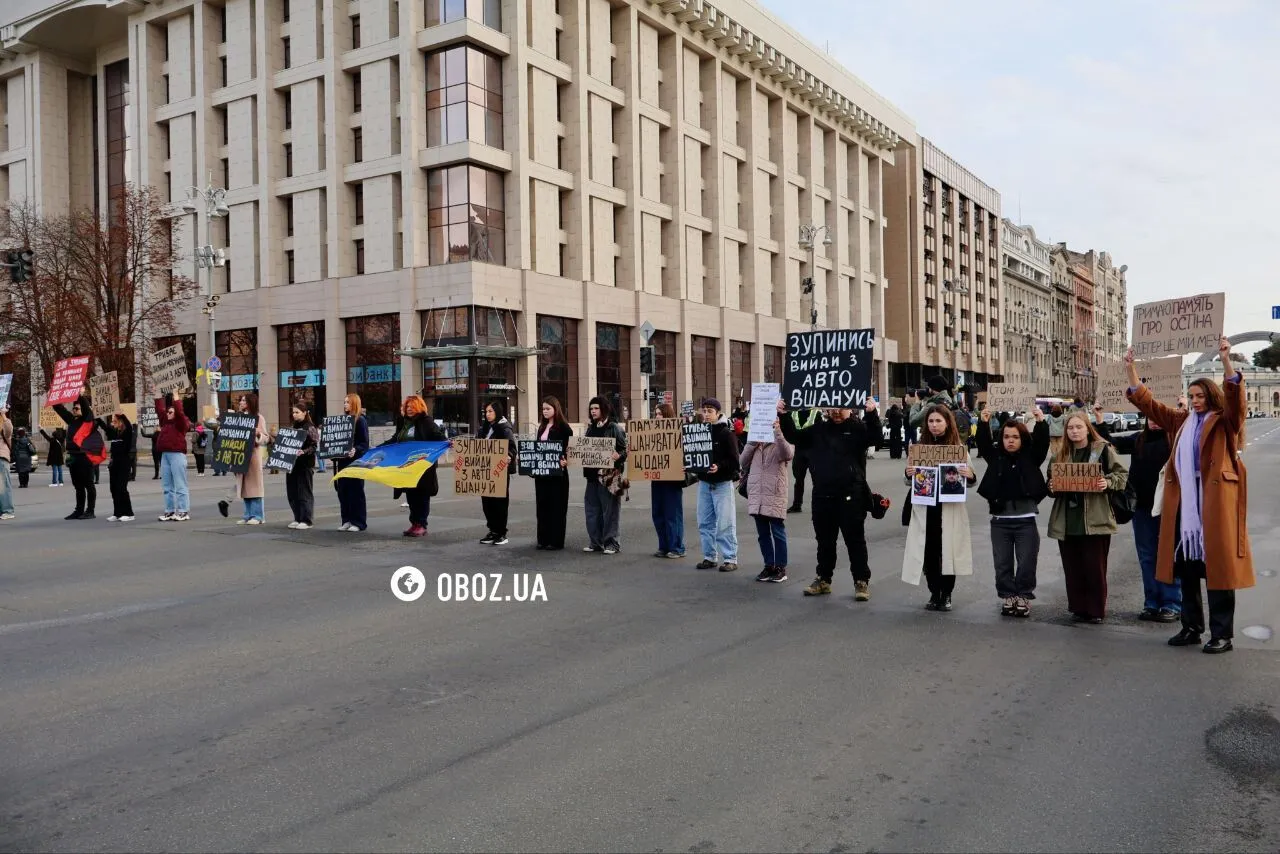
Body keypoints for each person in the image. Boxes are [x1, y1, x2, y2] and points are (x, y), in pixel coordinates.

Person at [1125, 338, 1253, 654]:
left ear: (1212, 397)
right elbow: (1149, 405)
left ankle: (1222, 634)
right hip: (1185, 505)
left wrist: (1225, 362)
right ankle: (1192, 627)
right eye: (1192, 396)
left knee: (1218, 570)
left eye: (1200, 396)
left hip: (1215, 504)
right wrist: (1131, 370)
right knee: (1187, 566)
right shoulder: (1181, 422)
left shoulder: (1225, 422)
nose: (1195, 401)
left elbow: (1236, 401)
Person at [780, 398, 881, 600]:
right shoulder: (818, 430)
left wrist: (871, 414)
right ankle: (823, 579)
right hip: (822, 495)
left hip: (851, 496)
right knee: (825, 542)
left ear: (850, 408)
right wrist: (783, 415)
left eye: (841, 408)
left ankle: (861, 581)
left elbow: (876, 438)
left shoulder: (858, 428)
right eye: (832, 407)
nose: (836, 411)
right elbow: (794, 437)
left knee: (855, 541)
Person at [1046, 411, 1128, 624]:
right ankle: (1078, 608)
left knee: (1095, 568)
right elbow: (1050, 481)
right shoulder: (1060, 455)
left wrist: (1107, 483)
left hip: (1095, 518)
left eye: (1078, 427)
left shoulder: (1102, 450)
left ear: (1087, 429)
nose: (1074, 431)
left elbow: (1122, 475)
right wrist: (1052, 486)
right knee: (1073, 567)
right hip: (1068, 519)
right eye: (1070, 428)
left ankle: (1095, 610)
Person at [976, 405, 1050, 617]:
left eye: (1015, 437)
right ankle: (1008, 596)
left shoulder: (1030, 457)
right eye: (1007, 437)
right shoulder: (996, 457)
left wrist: (1041, 422)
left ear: (1022, 439)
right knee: (1002, 563)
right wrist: (984, 422)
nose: (1010, 440)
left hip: (1026, 521)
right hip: (1000, 522)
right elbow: (983, 443)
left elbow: (1042, 444)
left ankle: (1024, 597)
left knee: (1027, 562)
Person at [903, 405, 976, 611]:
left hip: (949, 508)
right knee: (929, 553)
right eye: (931, 421)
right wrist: (908, 473)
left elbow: (970, 479)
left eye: (938, 421)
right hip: (926, 507)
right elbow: (909, 480)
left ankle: (947, 593)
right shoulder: (920, 448)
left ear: (947, 423)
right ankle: (934, 592)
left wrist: (969, 475)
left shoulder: (957, 448)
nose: (934, 425)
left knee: (948, 552)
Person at [1109, 415, 1180, 622]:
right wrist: (1098, 417)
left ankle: (1172, 603)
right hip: (1141, 508)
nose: (1155, 421)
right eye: (1151, 417)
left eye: (1159, 417)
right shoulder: (1138, 439)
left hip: (1168, 507)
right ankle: (1151, 603)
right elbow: (1108, 441)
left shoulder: (1174, 439)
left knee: (1167, 555)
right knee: (1147, 557)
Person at [741, 409, 794, 582]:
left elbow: (788, 454)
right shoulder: (755, 444)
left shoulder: (781, 441)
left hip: (774, 494)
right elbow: (742, 461)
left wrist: (777, 431)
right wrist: (752, 442)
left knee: (777, 532)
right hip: (757, 494)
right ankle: (768, 565)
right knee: (763, 534)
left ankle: (780, 567)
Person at [383, 395, 446, 537]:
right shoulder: (403, 422)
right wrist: (380, 447)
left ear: (419, 407)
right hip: (406, 466)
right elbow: (396, 439)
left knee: (421, 495)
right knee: (411, 495)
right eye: (407, 407)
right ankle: (414, 523)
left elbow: (440, 438)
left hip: (422, 466)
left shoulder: (426, 422)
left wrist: (443, 446)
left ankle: (422, 524)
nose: (409, 409)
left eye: (412, 407)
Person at [694, 398, 741, 572]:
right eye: (704, 411)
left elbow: (735, 461)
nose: (706, 414)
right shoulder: (698, 432)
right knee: (705, 523)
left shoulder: (726, 434)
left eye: (710, 411)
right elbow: (694, 454)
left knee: (725, 523)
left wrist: (719, 466)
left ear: (718, 413)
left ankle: (730, 558)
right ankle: (709, 556)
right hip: (705, 484)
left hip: (722, 484)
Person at [582, 395, 626, 555]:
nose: (593, 411)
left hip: (610, 475)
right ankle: (596, 542)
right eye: (591, 409)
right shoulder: (590, 428)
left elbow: (625, 450)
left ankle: (612, 543)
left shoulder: (614, 428)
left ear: (603, 409)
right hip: (592, 475)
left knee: (611, 511)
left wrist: (619, 456)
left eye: (596, 408)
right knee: (592, 510)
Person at [218, 394, 270, 525]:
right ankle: (247, 515)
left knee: (255, 486)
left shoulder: (259, 418)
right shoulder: (238, 417)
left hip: (252, 456)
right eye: (240, 400)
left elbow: (266, 438)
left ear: (250, 403)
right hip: (239, 454)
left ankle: (258, 516)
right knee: (244, 486)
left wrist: (258, 433)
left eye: (243, 400)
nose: (241, 402)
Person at [53, 393, 104, 520]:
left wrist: (80, 396)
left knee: (88, 484)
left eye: (77, 408)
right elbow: (59, 409)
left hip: (85, 456)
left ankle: (90, 511)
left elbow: (86, 407)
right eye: (73, 408)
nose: (74, 410)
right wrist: (54, 397)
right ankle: (79, 510)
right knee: (78, 486)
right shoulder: (72, 420)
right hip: (73, 456)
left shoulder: (87, 420)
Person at [534, 396, 573, 551]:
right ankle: (543, 539)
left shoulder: (564, 427)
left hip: (558, 474)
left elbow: (572, 449)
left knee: (557, 507)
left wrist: (566, 460)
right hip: (542, 473)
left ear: (555, 409)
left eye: (547, 408)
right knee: (542, 506)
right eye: (543, 409)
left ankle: (556, 540)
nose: (544, 411)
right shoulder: (542, 427)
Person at [647, 402, 685, 559]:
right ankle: (663, 545)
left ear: (668, 415)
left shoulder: (678, 433)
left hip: (672, 479)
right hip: (657, 478)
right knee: (658, 513)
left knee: (672, 514)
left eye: (660, 414)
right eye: (656, 414)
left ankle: (676, 547)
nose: (657, 417)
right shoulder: (650, 433)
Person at [476, 399, 516, 545]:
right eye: (486, 412)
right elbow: (475, 447)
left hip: (499, 470)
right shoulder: (484, 429)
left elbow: (512, 447)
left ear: (497, 412)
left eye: (490, 411)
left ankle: (501, 532)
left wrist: (509, 456)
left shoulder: (504, 428)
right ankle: (492, 530)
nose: (487, 414)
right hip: (485, 470)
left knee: (499, 502)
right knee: (487, 502)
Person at [334, 393, 371, 532]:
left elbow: (364, 443)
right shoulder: (343, 420)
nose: (345, 405)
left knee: (356, 492)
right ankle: (347, 519)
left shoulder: (360, 421)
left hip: (356, 462)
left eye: (348, 402)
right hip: (343, 461)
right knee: (343, 491)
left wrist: (355, 449)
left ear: (354, 404)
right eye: (344, 402)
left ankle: (359, 521)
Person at [154, 391, 192, 521]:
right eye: (168, 412)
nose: (168, 414)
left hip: (177, 454)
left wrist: (176, 397)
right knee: (167, 485)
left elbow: (180, 413)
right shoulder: (165, 422)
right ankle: (169, 511)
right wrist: (157, 393)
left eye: (170, 412)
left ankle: (183, 511)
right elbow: (159, 410)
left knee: (180, 484)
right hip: (165, 454)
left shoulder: (181, 423)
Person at [283, 403, 320, 529]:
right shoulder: (293, 426)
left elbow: (315, 445)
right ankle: (297, 517)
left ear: (305, 413)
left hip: (305, 464)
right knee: (293, 492)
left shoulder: (309, 427)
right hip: (292, 464)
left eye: (297, 412)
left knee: (304, 492)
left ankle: (306, 519)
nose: (294, 415)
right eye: (293, 412)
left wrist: (304, 452)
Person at [96, 411, 135, 522]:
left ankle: (129, 513)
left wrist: (122, 415)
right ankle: (117, 513)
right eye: (112, 422)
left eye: (115, 421)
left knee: (121, 488)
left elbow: (128, 424)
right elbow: (104, 427)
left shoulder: (127, 433)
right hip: (114, 463)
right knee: (113, 489)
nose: (112, 423)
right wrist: (97, 417)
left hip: (124, 462)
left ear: (120, 422)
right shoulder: (114, 433)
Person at [786, 407, 817, 513]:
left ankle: (817, 505)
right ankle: (797, 504)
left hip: (813, 450)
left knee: (816, 480)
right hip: (799, 450)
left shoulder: (815, 412)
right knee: (798, 480)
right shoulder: (794, 412)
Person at [0, 408, 13, 520]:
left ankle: (8, 510)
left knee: (4, 485)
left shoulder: (4, 424)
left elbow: (9, 430)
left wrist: (3, 414)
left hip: (1, 456)